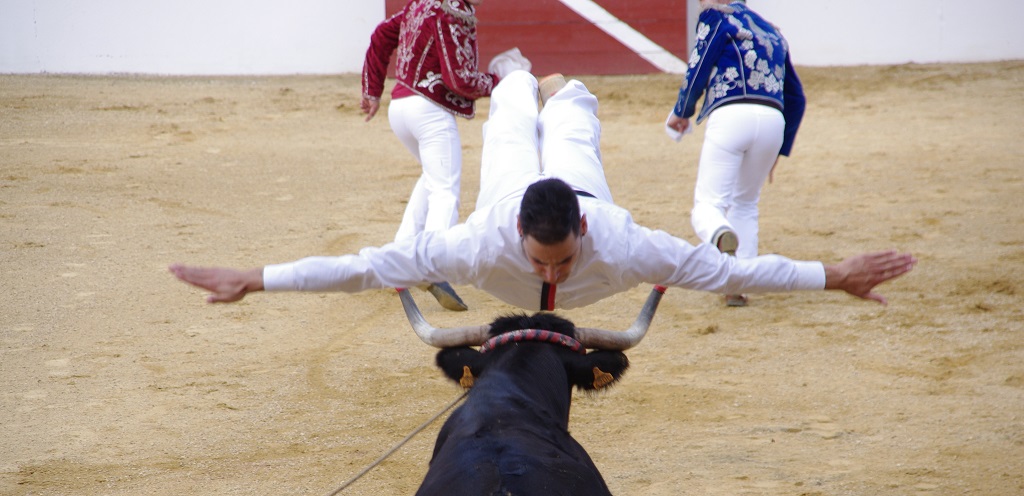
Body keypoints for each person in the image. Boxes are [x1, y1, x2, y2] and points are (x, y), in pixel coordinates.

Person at [170, 70, 915, 319]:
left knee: (570, 116)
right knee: (509, 116)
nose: (551, 274)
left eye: (561, 263)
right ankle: (518, 74)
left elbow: (736, 271)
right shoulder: (481, 239)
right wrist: (255, 279)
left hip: (580, 184)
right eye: (541, 262)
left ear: (582, 233)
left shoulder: (621, 239)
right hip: (508, 189)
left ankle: (556, 85)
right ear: (519, 239)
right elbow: (364, 266)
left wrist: (835, 275)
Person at [360, 0, 529, 311]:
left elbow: (382, 34)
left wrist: (372, 89)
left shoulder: (421, 4)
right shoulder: (452, 10)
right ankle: (432, 265)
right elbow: (459, 80)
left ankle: (398, 257)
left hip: (401, 108)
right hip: (429, 112)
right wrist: (500, 81)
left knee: (433, 179)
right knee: (445, 191)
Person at [665, 0, 805, 307]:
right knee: (745, 204)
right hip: (773, 120)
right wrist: (779, 151)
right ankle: (739, 285)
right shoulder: (773, 32)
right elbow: (797, 98)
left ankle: (720, 235)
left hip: (730, 115)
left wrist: (682, 111)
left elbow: (699, 67)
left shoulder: (716, 16)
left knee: (708, 205)